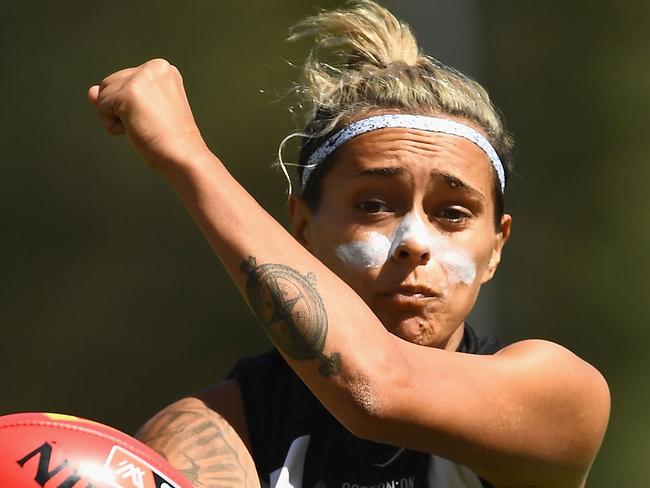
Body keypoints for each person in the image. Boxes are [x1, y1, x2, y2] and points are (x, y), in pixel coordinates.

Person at [88, 2, 610, 487]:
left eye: (453, 213)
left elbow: (377, 389)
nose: (414, 243)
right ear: (300, 228)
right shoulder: (217, 428)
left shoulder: (560, 395)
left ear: (497, 245)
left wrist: (187, 157)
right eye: (374, 206)